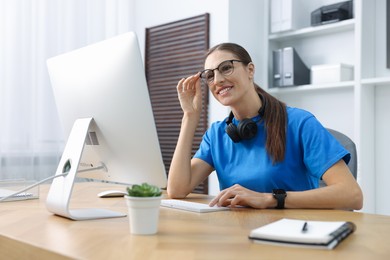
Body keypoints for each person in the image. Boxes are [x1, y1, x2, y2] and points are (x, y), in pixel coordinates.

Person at [167, 42, 363, 210]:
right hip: (237, 237)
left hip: (291, 236)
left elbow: (352, 195)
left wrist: (269, 199)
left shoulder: (299, 123)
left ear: (250, 70)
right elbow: (177, 190)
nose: (217, 80)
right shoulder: (217, 135)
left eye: (226, 68)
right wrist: (189, 117)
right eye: (209, 75)